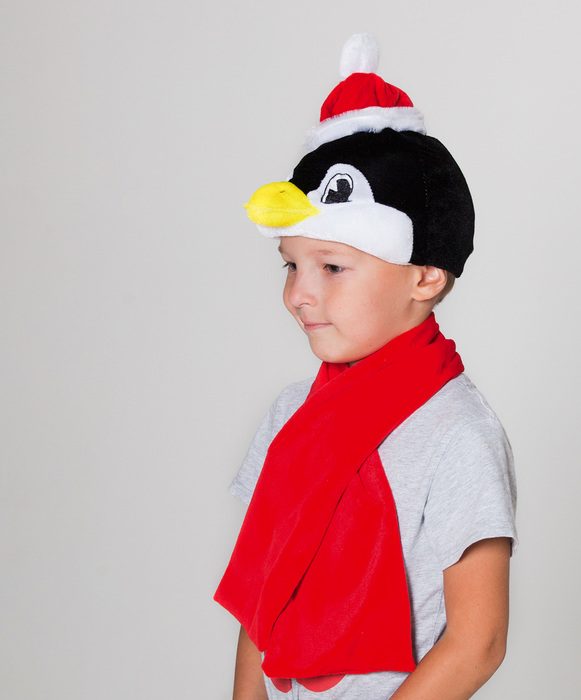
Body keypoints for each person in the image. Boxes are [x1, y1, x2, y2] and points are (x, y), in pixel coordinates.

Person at [215, 34, 517, 700]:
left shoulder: (457, 435)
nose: (299, 294)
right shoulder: (291, 415)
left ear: (426, 275)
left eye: (332, 267)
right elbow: (262, 602)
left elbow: (479, 641)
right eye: (291, 265)